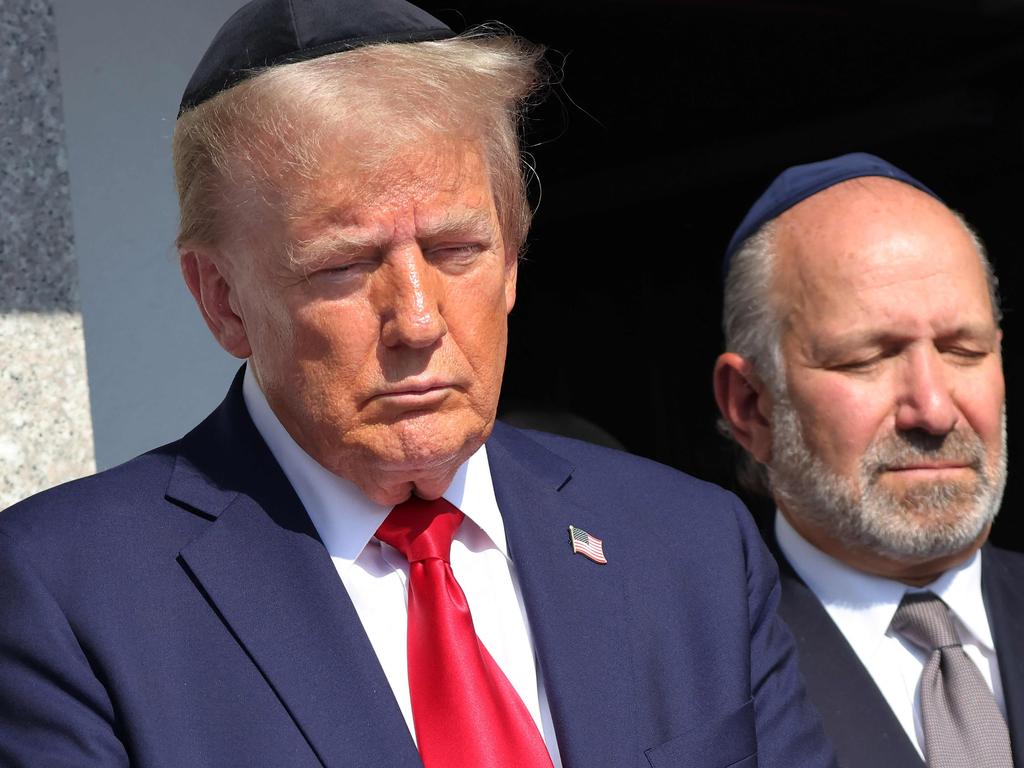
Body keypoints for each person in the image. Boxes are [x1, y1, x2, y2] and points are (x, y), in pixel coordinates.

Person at [0, 1, 836, 766]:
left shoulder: (690, 546)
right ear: (222, 300)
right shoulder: (69, 595)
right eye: (346, 264)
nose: (418, 319)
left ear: (511, 260)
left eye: (456, 250)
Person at [714, 152, 1024, 768]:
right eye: (866, 359)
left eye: (964, 350)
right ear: (751, 405)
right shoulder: (700, 677)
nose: (934, 410)